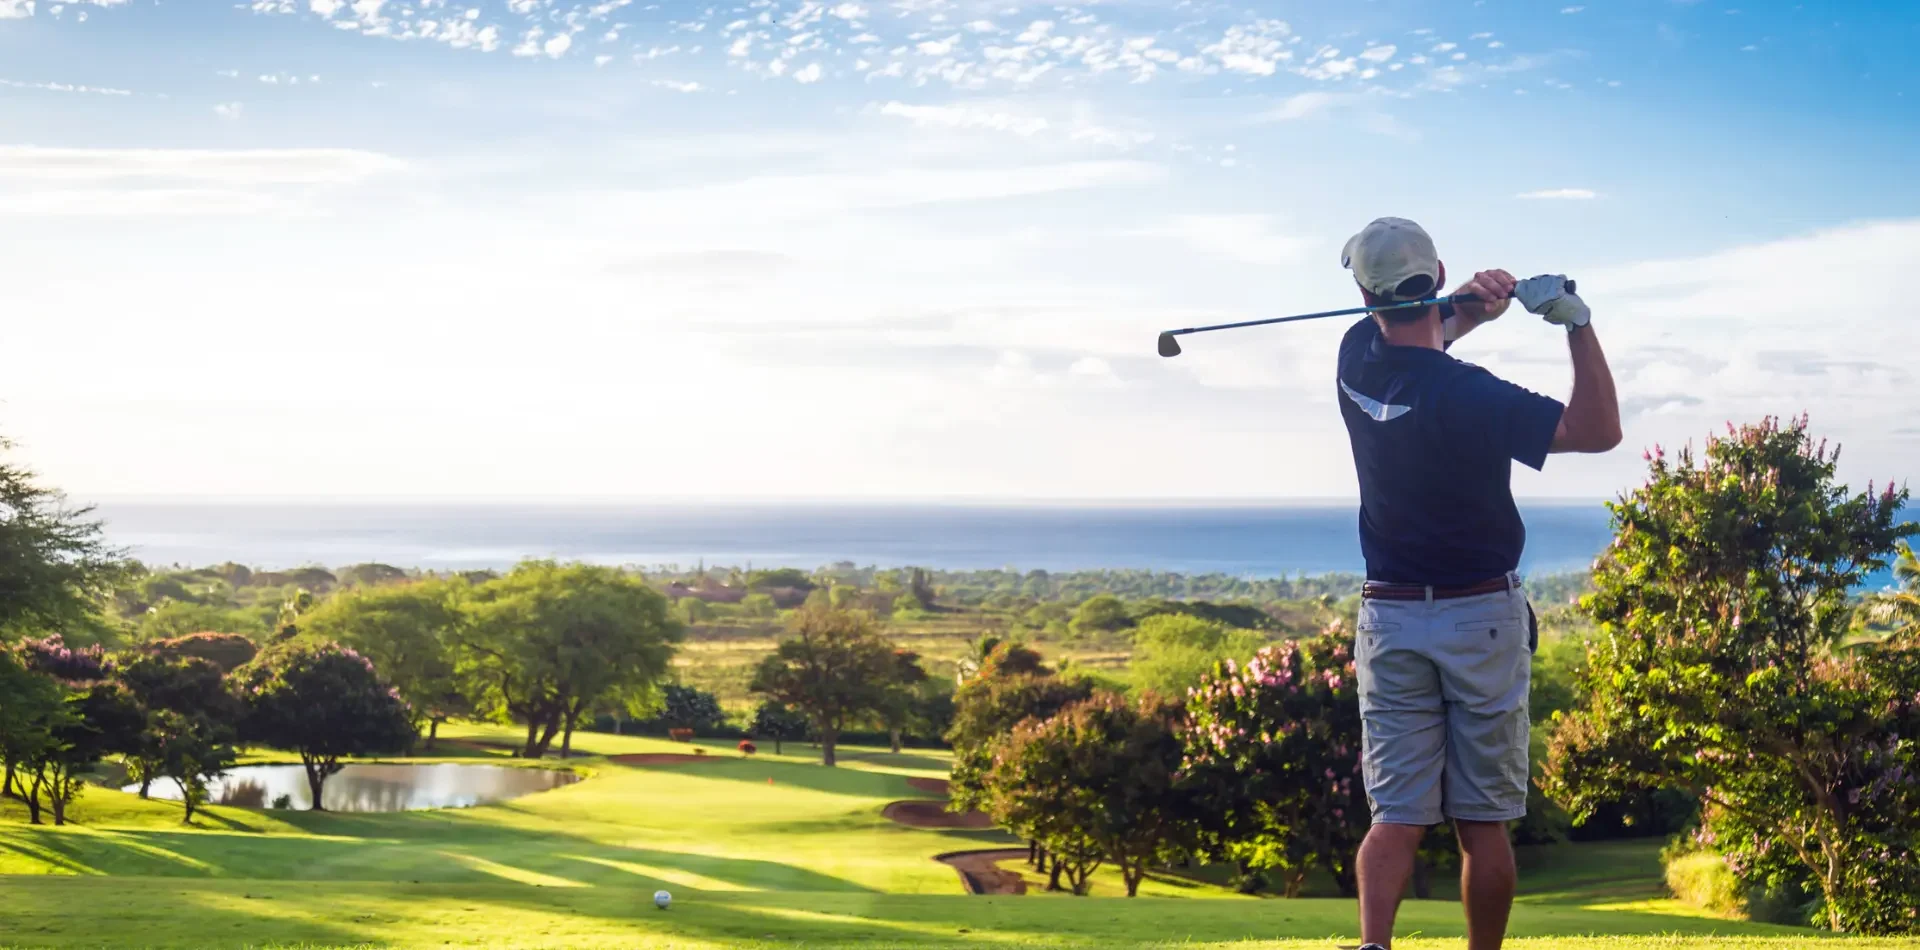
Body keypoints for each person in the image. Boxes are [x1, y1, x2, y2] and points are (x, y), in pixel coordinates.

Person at [1333, 217, 1621, 950]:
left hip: (1390, 618)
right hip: (1479, 619)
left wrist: (1469, 307)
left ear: (1364, 292)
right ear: (1435, 275)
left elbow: (1427, 331)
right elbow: (1596, 430)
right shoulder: (1475, 396)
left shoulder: (1355, 357)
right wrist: (1574, 324)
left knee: (1394, 816)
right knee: (1481, 821)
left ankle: (1373, 947)